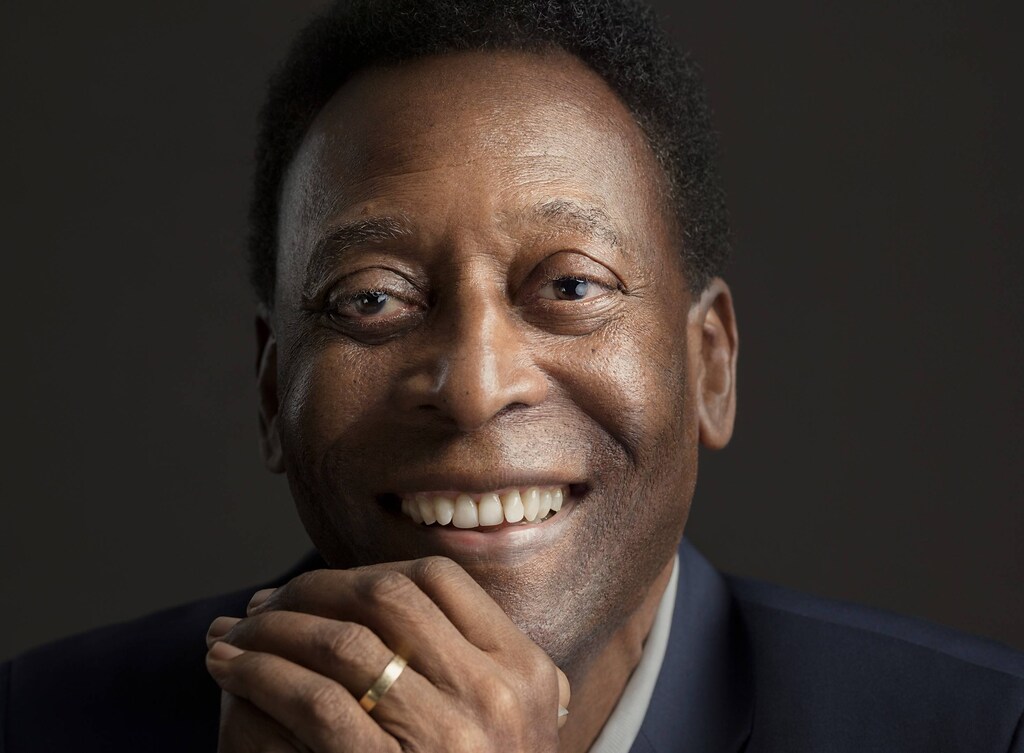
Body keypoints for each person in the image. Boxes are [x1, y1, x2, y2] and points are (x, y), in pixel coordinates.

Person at [2, 0, 1022, 751]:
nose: (476, 385)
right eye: (372, 298)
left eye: (571, 285)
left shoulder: (984, 733)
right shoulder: (37, 726)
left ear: (709, 365)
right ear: (274, 394)